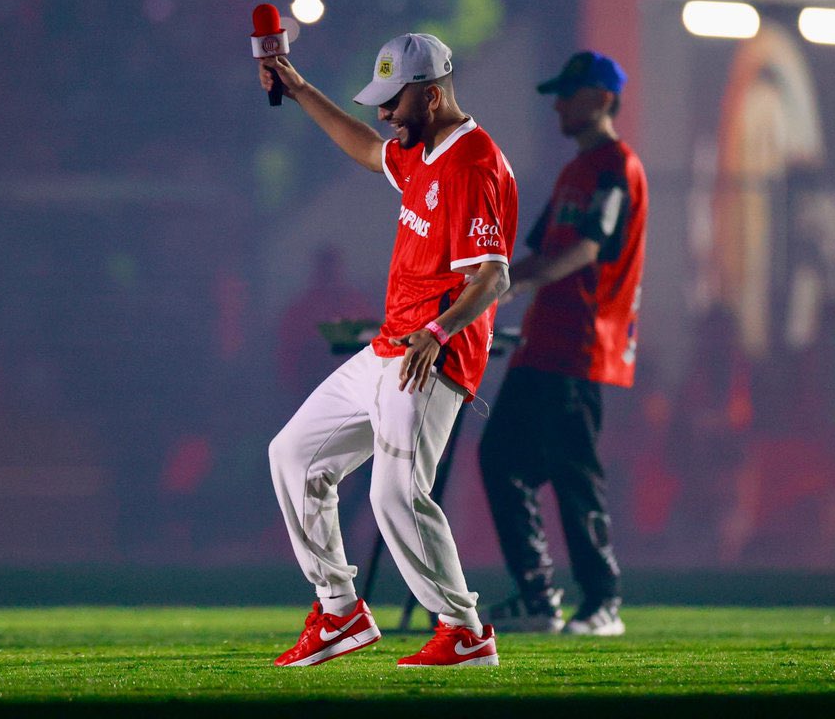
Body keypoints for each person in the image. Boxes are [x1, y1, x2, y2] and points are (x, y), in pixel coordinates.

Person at [259, 33, 518, 667]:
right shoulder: (420, 147)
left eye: (392, 102)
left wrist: (439, 331)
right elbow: (371, 152)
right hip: (387, 349)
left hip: (431, 358)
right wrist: (298, 89)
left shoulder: (473, 162)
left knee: (394, 494)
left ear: (430, 96)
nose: (382, 114)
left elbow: (494, 277)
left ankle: (464, 631)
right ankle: (341, 613)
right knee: (293, 455)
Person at [478, 51, 647, 636]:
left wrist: (506, 285)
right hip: (545, 344)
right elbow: (540, 252)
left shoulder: (615, 166)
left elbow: (586, 249)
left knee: (575, 474)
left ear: (601, 98)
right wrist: (488, 283)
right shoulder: (576, 170)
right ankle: (536, 597)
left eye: (569, 94)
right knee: (501, 459)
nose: (557, 105)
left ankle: (603, 602)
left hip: (581, 345)